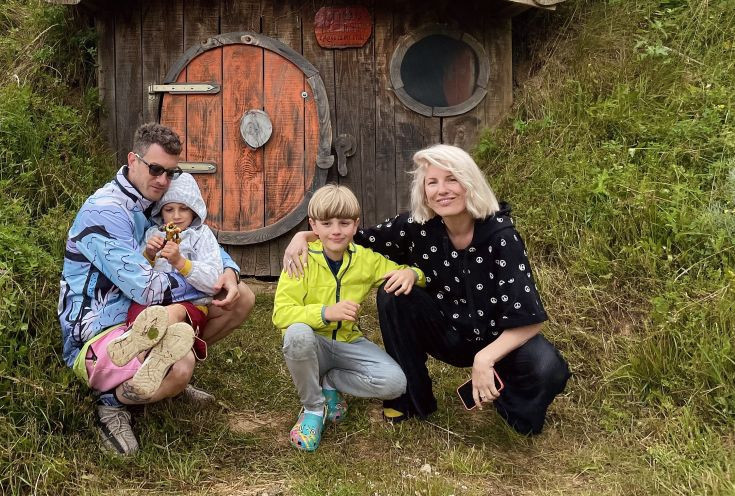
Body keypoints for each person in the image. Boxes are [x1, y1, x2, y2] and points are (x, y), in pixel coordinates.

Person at [284, 145, 570, 436]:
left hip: (496, 338)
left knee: (547, 365)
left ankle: (508, 402)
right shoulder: (417, 226)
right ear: (424, 191)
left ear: (470, 183)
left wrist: (485, 358)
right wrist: (304, 236)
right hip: (446, 332)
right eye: (432, 182)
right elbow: (351, 236)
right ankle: (410, 398)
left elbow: (530, 317)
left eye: (451, 179)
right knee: (393, 293)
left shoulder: (502, 236)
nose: (441, 190)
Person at [59, 123, 255, 456]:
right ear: (132, 160)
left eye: (170, 172)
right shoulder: (105, 211)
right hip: (99, 332)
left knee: (242, 297)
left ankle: (158, 370)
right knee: (181, 367)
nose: (164, 180)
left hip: (148, 315)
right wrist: (199, 284)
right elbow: (149, 290)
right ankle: (112, 402)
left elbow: (197, 237)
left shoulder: (155, 199)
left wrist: (227, 272)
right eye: (155, 169)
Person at [273, 184, 420, 451]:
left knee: (395, 383)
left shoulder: (366, 260)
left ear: (355, 225)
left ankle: (331, 381)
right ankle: (313, 408)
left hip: (348, 342)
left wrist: (412, 273)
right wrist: (325, 313)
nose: (336, 230)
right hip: (313, 345)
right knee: (296, 334)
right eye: (327, 223)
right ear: (313, 226)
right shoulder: (299, 258)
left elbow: (403, 272)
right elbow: (281, 313)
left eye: (344, 223)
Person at [132, 172, 223, 357]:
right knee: (136, 312)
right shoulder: (152, 235)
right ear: (160, 211)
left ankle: (140, 348)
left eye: (184, 209)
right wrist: (149, 254)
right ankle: (137, 345)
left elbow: (214, 280)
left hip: (190, 305)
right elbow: (134, 275)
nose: (176, 216)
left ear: (194, 210)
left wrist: (181, 263)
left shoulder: (202, 236)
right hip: (153, 302)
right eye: (169, 209)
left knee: (173, 314)